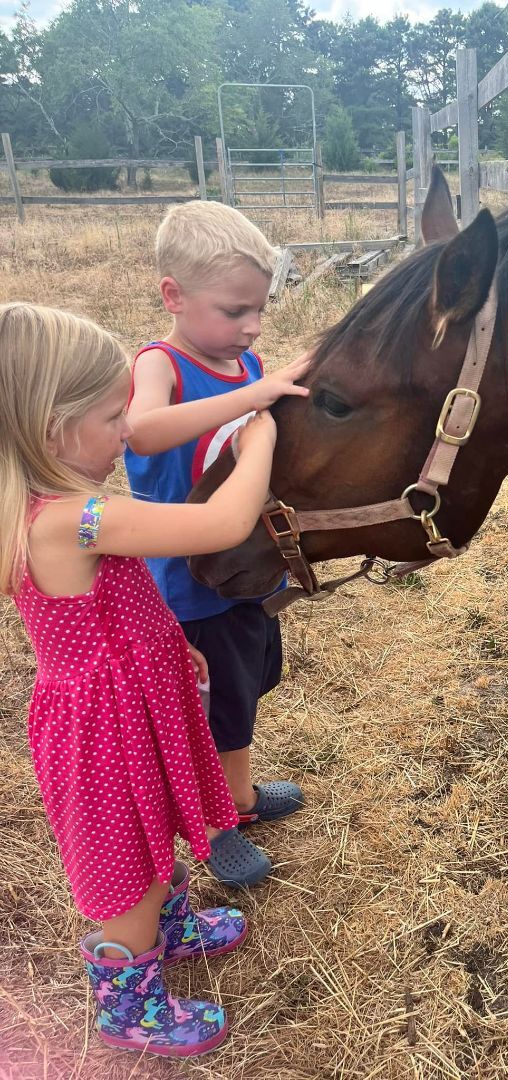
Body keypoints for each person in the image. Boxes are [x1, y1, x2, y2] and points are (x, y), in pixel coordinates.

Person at [0, 302, 302, 1057]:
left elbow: (119, 603)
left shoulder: (49, 511)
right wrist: (257, 430)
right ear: (51, 430)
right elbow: (220, 525)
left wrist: (170, 646)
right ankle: (127, 1002)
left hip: (129, 696)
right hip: (105, 720)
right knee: (126, 865)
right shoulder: (72, 519)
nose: (128, 430)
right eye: (112, 417)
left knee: (148, 821)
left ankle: (168, 927)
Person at [125, 201, 310, 887]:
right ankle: (212, 827)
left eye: (258, 309)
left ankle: (239, 798)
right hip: (187, 581)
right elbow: (142, 433)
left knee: (243, 690)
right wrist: (252, 395)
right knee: (199, 710)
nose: (252, 326)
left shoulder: (249, 362)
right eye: (233, 310)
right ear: (173, 295)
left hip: (247, 569)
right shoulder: (161, 364)